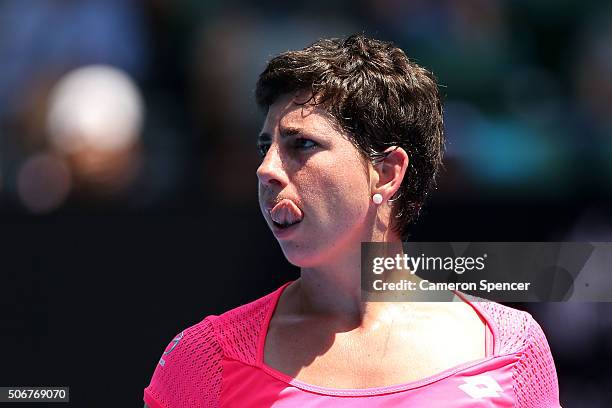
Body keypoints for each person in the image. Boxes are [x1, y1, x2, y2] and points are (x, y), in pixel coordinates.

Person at [143, 34, 561, 407]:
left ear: (386, 172)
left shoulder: (512, 348)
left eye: (301, 144)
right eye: (264, 145)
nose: (266, 169)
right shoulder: (203, 360)